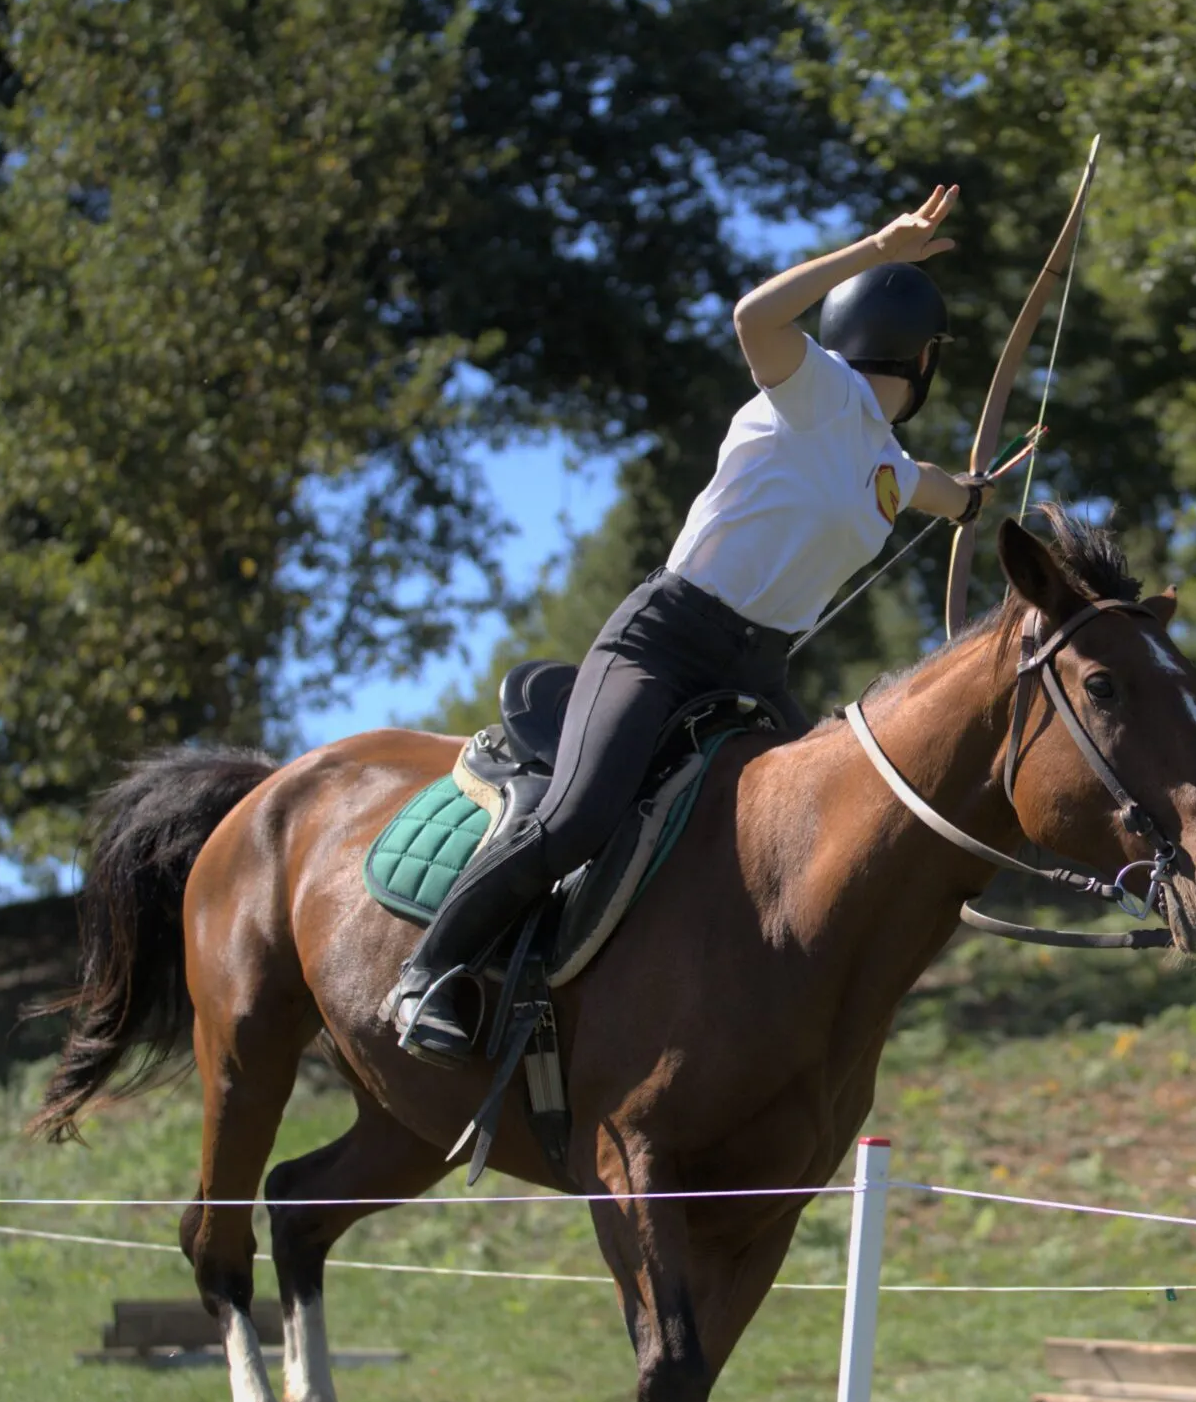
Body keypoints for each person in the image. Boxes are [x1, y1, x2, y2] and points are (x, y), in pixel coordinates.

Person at [387, 185, 995, 1063]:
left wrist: (979, 498)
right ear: (922, 359)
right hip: (665, 645)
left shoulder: (885, 465)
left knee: (820, 839)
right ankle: (429, 973)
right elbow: (755, 315)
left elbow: (946, 493)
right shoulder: (814, 388)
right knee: (578, 816)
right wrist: (875, 247)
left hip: (756, 676)